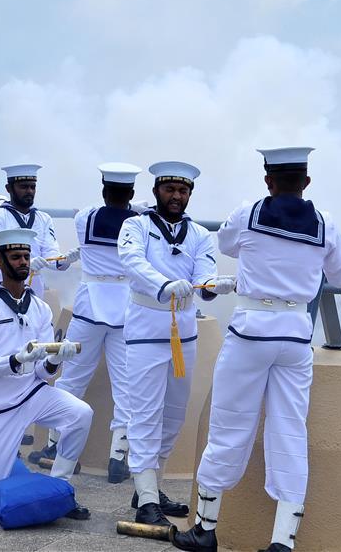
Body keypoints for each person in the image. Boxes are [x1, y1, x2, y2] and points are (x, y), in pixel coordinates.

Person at [171, 148, 341, 552]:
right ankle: (283, 541)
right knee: (290, 431)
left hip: (251, 332)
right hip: (295, 336)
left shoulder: (249, 212)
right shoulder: (325, 225)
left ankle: (205, 529)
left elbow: (227, 245)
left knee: (228, 427)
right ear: (306, 183)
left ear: (268, 180)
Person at [117, 161, 236, 527]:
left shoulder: (199, 233)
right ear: (156, 191)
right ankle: (147, 499)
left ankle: (151, 487)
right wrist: (165, 284)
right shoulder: (135, 226)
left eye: (183, 191)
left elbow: (203, 273)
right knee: (145, 413)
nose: (176, 196)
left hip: (183, 334)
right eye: (169, 189)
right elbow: (132, 261)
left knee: (174, 414)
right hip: (146, 332)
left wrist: (214, 285)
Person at [0, 228, 92, 520]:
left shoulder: (41, 308)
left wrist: (55, 358)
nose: (23, 262)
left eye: (26, 256)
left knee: (81, 414)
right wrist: (17, 359)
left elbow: (43, 374)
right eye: (15, 257)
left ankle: (60, 487)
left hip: (32, 393)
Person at [34, 162, 140, 483]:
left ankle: (56, 446)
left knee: (72, 379)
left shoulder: (84, 219)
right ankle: (117, 458)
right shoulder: (141, 223)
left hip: (89, 307)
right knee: (126, 387)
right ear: (131, 193)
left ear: (104, 190)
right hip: (125, 309)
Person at [0, 164, 73, 294]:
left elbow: (50, 253)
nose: (30, 191)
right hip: (5, 282)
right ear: (9, 188)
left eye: (33, 187)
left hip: (35, 284)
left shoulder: (44, 218)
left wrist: (64, 261)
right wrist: (26, 263)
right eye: (24, 187)